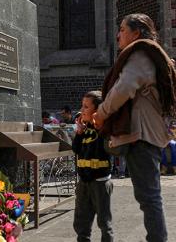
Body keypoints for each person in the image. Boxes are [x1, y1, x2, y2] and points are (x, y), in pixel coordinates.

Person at [92, 13, 176, 242]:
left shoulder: (140, 53)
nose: (118, 34)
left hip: (143, 136)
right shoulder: (149, 53)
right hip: (147, 134)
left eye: (122, 29)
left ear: (136, 33)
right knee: (149, 196)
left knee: (149, 197)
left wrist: (101, 114)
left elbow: (124, 88)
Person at [72, 91, 113, 242]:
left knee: (104, 221)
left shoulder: (104, 129)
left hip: (100, 181)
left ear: (96, 111)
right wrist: (79, 132)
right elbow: (76, 149)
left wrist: (98, 125)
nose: (82, 110)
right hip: (84, 181)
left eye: (85, 107)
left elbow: (106, 149)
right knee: (81, 222)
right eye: (82, 106)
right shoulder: (85, 129)